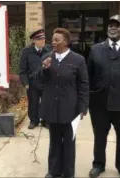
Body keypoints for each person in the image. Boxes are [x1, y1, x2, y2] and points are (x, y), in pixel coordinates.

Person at [33, 28, 89, 178]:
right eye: (53, 39)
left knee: (69, 142)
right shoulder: (47, 57)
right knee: (54, 140)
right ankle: (54, 171)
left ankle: (68, 173)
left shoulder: (78, 60)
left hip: (70, 108)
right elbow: (38, 81)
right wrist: (44, 68)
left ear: (66, 42)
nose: (53, 42)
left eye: (57, 40)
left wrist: (83, 107)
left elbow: (83, 84)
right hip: (52, 107)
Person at [87, 15, 120, 178]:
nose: (113, 28)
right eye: (110, 25)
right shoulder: (96, 49)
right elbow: (88, 77)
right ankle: (98, 165)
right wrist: (88, 101)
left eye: (117, 25)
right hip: (99, 104)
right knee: (99, 136)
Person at [19, 29, 51, 129]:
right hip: (32, 83)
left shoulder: (49, 50)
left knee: (47, 102)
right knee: (33, 102)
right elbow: (22, 70)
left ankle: (46, 121)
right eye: (40, 39)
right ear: (34, 41)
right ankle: (34, 120)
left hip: (46, 82)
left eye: (43, 38)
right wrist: (26, 83)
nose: (43, 41)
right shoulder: (26, 52)